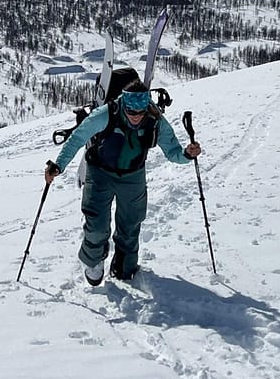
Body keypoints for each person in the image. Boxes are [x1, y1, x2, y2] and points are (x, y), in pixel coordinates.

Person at [45, 78, 201, 285]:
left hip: (133, 176)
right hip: (99, 172)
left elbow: (173, 152)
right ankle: (94, 260)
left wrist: (187, 155)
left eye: (140, 112)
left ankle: (124, 265)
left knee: (130, 224)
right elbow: (77, 138)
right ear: (124, 105)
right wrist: (58, 165)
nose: (136, 116)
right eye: (131, 111)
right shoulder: (105, 114)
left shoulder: (155, 119)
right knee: (96, 224)